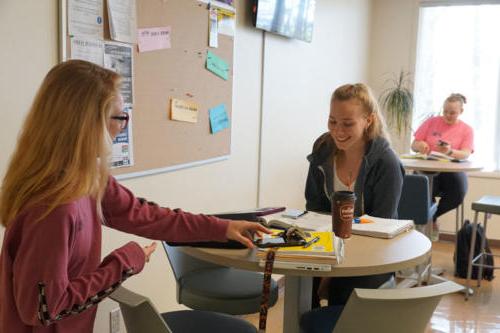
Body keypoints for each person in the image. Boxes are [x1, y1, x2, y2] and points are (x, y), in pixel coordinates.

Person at [0, 60, 269, 333]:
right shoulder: (54, 205)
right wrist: (125, 261)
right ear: (86, 123)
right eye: (119, 117)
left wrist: (222, 228)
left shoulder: (88, 178)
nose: (122, 127)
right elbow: (45, 309)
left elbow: (146, 216)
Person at [304, 83, 404, 308]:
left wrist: (332, 272)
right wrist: (325, 260)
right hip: (330, 247)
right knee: (301, 283)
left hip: (373, 253)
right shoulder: (323, 148)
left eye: (348, 123)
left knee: (342, 291)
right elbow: (314, 207)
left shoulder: (386, 162)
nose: (338, 131)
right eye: (332, 121)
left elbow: (380, 225)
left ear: (368, 120)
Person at [411, 93, 473, 238]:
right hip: (427, 167)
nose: (448, 115)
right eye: (445, 111)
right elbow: (414, 145)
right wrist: (420, 145)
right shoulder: (431, 122)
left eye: (452, 113)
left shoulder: (466, 129)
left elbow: (465, 153)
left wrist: (450, 151)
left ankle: (432, 217)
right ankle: (425, 223)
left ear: (461, 112)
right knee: (420, 189)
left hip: (451, 171)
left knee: (458, 193)